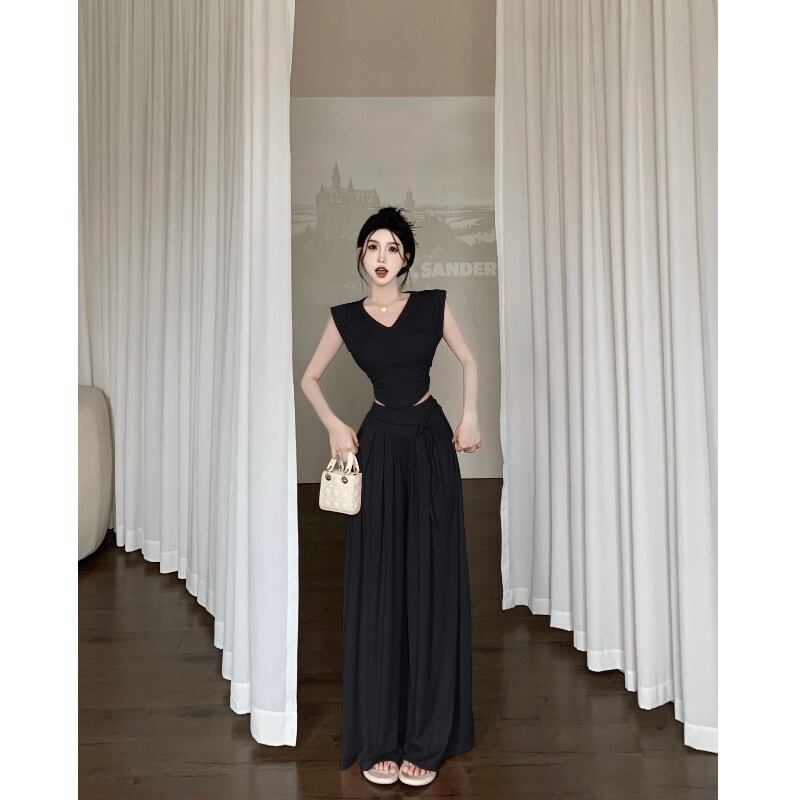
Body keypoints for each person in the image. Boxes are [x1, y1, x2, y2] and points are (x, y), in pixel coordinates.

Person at [301, 206, 481, 787]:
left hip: (429, 444)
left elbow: (469, 360)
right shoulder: (346, 318)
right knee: (381, 586)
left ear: (406, 259)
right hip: (377, 446)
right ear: (362, 254)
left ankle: (426, 738)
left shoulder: (431, 306)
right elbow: (308, 378)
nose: (382, 257)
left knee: (430, 583)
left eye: (394, 248)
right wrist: (334, 423)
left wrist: (471, 416)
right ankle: (380, 736)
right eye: (373, 246)